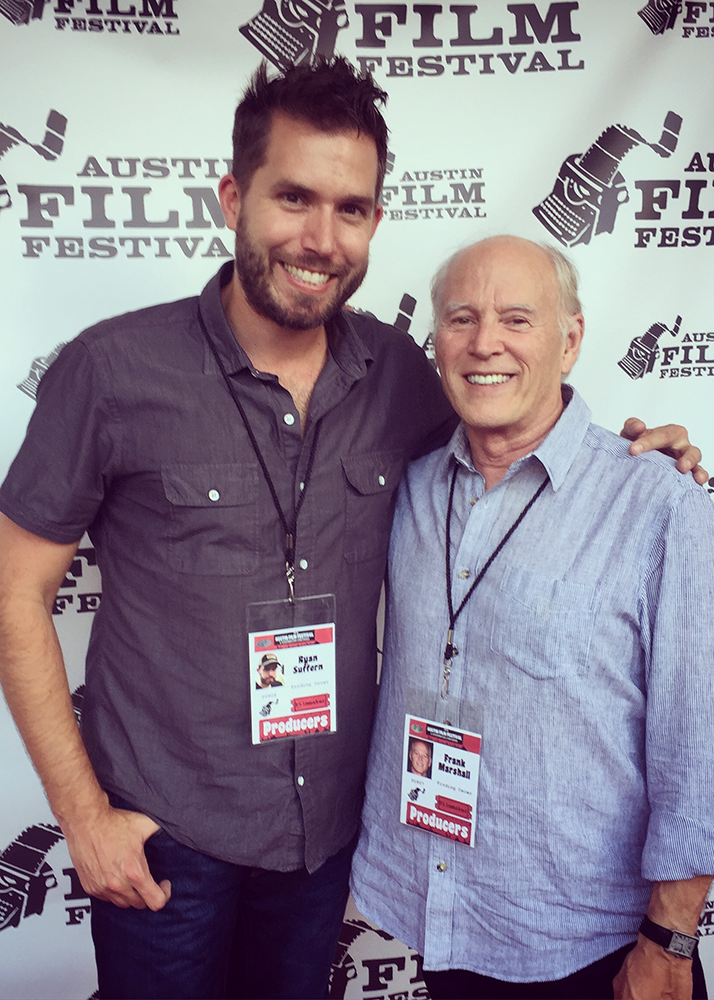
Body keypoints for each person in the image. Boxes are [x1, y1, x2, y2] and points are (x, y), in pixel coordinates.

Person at [0, 58, 704, 999]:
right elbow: (15, 592)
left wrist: (650, 454)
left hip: (324, 845)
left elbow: (517, 419)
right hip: (165, 839)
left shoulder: (401, 374)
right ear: (232, 197)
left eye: (352, 208)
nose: (320, 237)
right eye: (294, 197)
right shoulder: (111, 370)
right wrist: (80, 815)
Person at [350, 236, 714, 1000]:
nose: (486, 343)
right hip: (449, 919)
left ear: (570, 340)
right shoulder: (409, 484)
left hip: (600, 950)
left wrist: (670, 940)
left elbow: (699, 743)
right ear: (437, 341)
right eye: (461, 319)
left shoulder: (658, 504)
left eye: (518, 319)